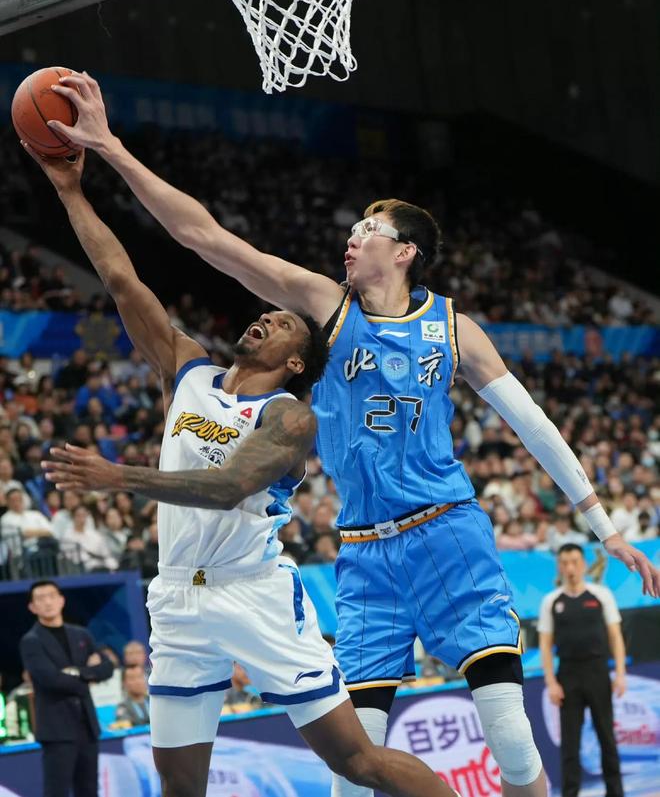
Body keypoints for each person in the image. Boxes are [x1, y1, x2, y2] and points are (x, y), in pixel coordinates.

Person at [48, 71, 660, 797]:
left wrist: (600, 524)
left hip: (446, 529)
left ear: (405, 252)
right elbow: (202, 236)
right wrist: (110, 148)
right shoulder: (325, 307)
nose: (352, 237)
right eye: (352, 230)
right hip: (365, 549)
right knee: (355, 768)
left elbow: (533, 424)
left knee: (507, 727)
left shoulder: (454, 328)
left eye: (368, 231)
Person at [30, 145, 457, 797]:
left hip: (253, 594)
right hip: (177, 595)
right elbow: (120, 278)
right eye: (264, 315)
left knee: (357, 760)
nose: (264, 318)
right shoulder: (189, 372)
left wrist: (120, 477)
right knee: (180, 787)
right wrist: (69, 191)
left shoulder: (290, 417)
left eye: (281, 322)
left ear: (296, 362)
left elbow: (228, 486)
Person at [538, 544, 625, 797]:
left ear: (584, 564)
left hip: (597, 671)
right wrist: (551, 682)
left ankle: (615, 792)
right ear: (559, 567)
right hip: (568, 676)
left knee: (606, 737)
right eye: (565, 563)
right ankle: (570, 793)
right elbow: (545, 644)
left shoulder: (601, 595)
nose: (570, 568)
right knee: (570, 743)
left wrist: (620, 674)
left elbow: (615, 636)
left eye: (575, 562)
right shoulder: (551, 601)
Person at [19, 580, 114, 797]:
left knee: (89, 790)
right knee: (57, 792)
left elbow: (107, 667)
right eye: (41, 598)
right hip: (57, 730)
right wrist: (88, 675)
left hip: (87, 726)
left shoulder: (81, 634)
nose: (48, 602)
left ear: (61, 600)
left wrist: (76, 672)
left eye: (52, 596)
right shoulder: (31, 641)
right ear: (32, 607)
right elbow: (50, 679)